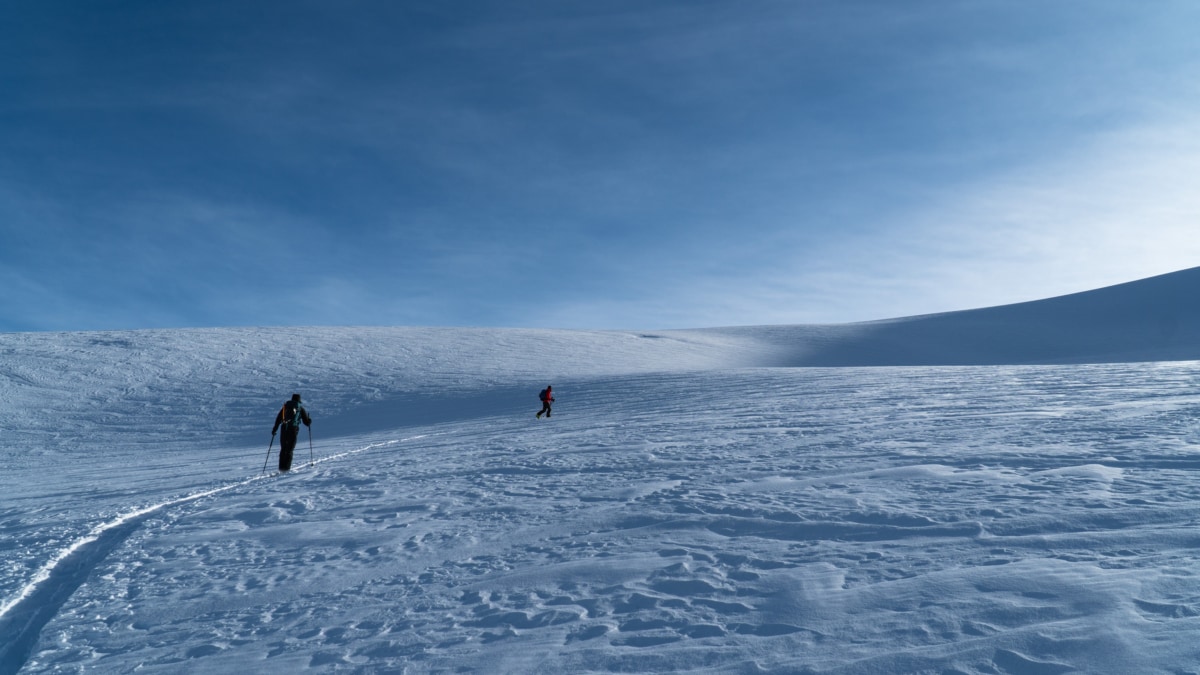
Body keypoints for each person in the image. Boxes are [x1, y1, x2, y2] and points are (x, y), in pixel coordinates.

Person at [272, 393, 312, 472]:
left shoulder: (285, 407)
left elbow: (278, 418)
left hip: (284, 428)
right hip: (293, 429)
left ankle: (281, 468)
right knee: (290, 449)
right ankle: (286, 469)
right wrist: (309, 421)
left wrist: (274, 429)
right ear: (299, 400)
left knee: (283, 448)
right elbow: (306, 423)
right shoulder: (300, 408)